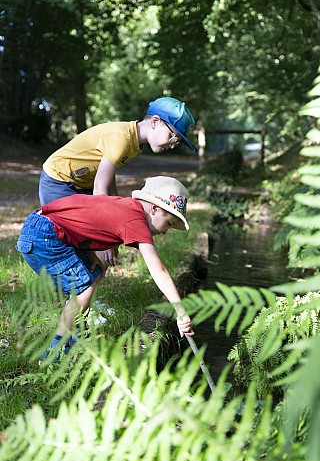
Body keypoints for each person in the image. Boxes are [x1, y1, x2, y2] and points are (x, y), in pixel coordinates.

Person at [16, 176, 194, 360]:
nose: (165, 231)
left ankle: (76, 333)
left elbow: (83, 221)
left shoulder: (126, 208)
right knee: (84, 288)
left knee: (95, 271)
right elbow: (159, 270)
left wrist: (91, 255)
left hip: (41, 229)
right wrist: (180, 311)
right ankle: (56, 351)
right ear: (154, 208)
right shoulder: (135, 220)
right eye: (169, 223)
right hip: (45, 236)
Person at [39, 96, 196, 267]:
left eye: (177, 142)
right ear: (156, 122)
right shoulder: (122, 138)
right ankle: (62, 282)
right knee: (71, 237)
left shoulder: (135, 142)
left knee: (88, 244)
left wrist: (113, 223)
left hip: (82, 183)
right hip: (59, 179)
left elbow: (108, 178)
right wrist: (104, 233)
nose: (173, 144)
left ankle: (84, 283)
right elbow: (100, 185)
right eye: (173, 136)